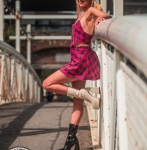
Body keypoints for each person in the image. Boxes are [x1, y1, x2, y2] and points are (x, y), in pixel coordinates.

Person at [42, 0, 111, 149]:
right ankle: (71, 141)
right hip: (79, 58)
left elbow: (107, 15)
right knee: (77, 104)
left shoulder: (91, 12)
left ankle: (86, 95)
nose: (81, 0)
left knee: (46, 84)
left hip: (80, 60)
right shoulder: (81, 15)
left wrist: (100, 18)